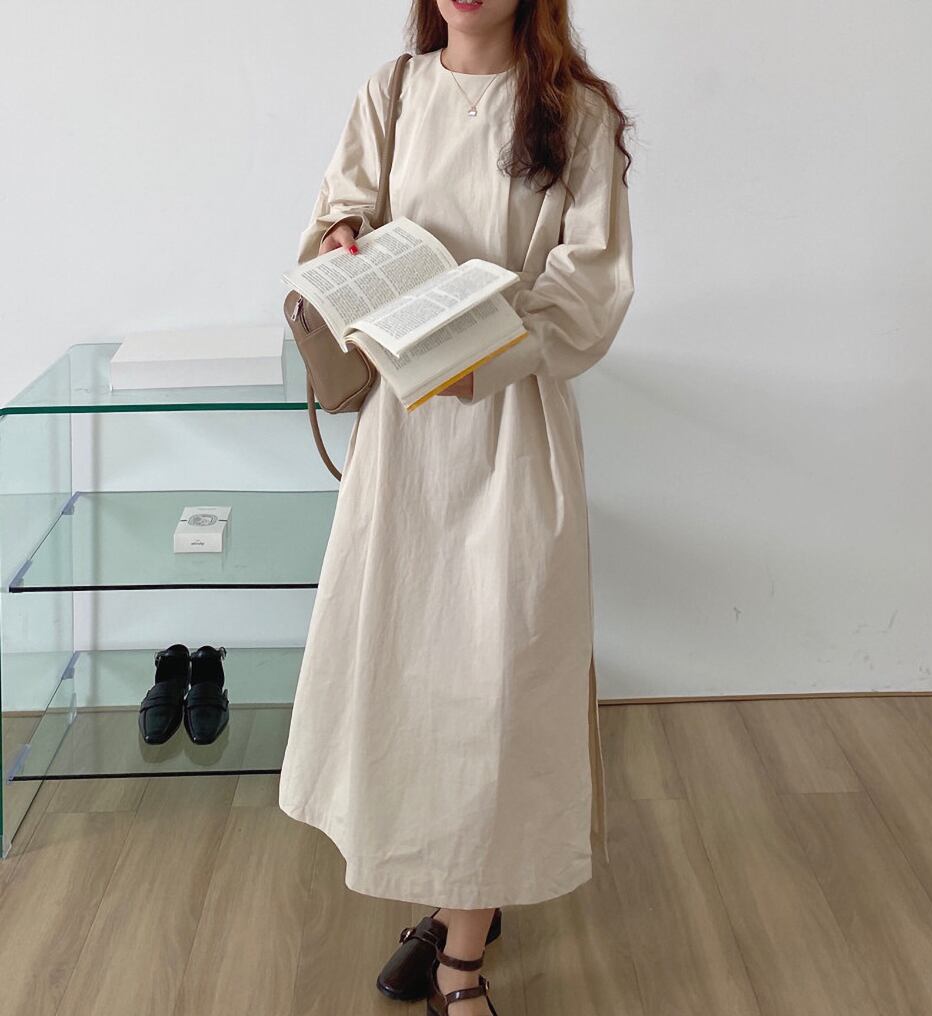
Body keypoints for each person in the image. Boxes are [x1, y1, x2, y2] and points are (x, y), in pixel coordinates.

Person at [278, 1, 635, 1012]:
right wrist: (344, 240)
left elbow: (591, 281)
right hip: (404, 432)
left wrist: (493, 351)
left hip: (510, 423)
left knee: (495, 685)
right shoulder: (391, 93)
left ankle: (460, 963)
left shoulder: (576, 112)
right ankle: (456, 901)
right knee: (412, 679)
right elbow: (337, 214)